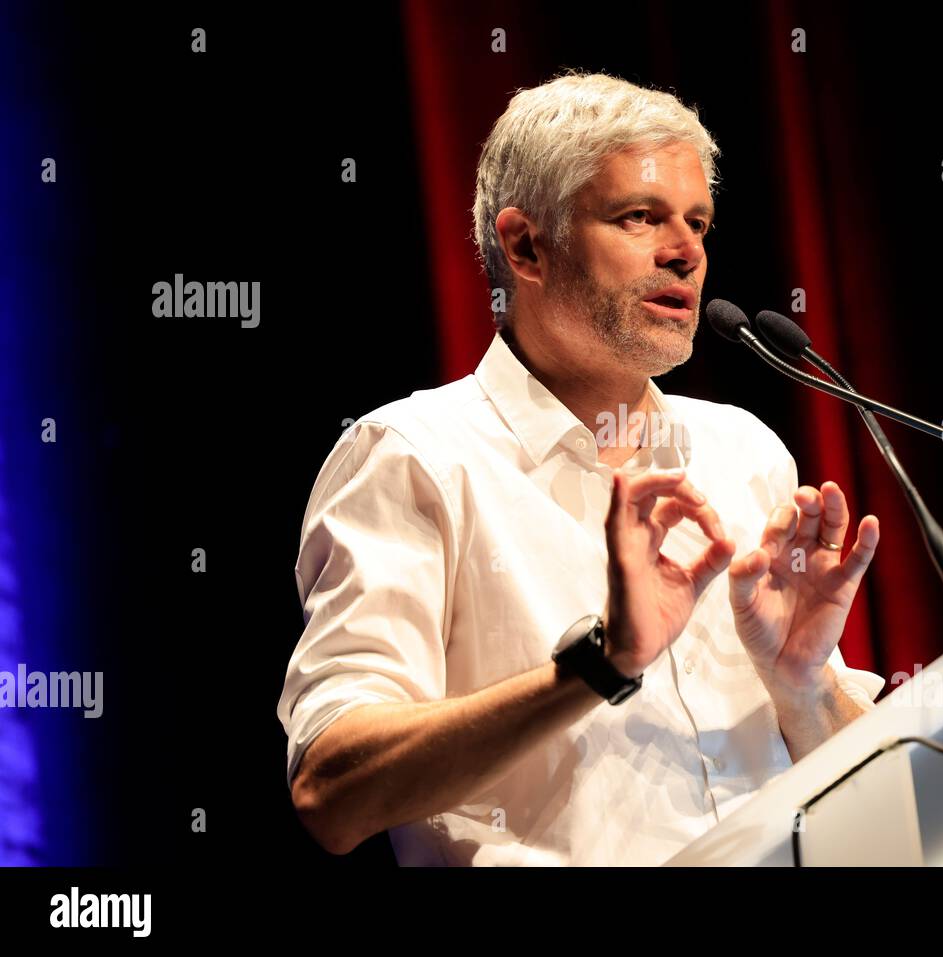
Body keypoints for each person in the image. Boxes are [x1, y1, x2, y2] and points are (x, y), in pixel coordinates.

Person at [276, 71, 886, 866]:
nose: (687, 252)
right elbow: (332, 789)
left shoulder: (744, 451)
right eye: (640, 217)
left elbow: (869, 803)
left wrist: (802, 684)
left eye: (697, 221)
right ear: (527, 245)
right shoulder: (414, 456)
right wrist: (601, 663)